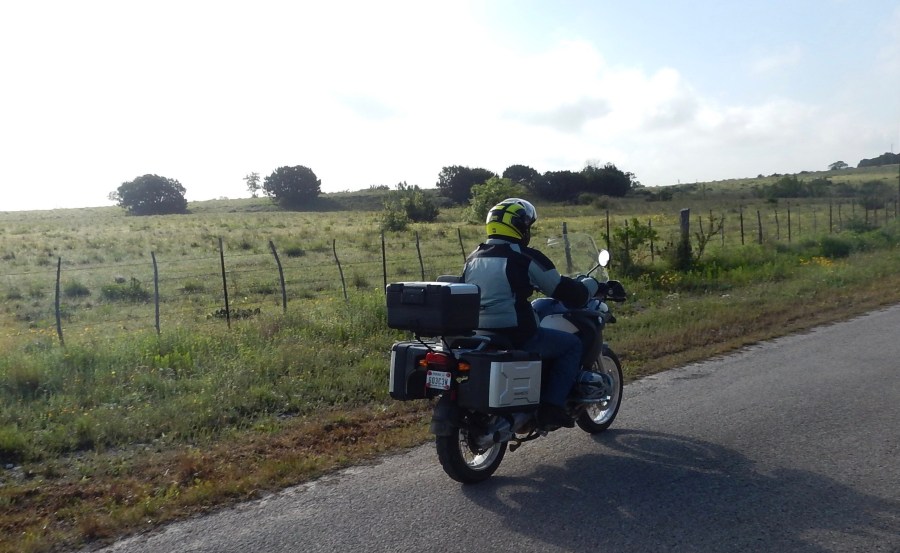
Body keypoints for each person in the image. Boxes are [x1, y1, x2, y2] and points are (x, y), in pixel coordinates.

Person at [462, 198, 602, 429]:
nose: (528, 230)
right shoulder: (524, 257)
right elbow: (563, 291)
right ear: (518, 226)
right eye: (526, 224)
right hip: (517, 333)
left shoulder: (473, 257)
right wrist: (592, 285)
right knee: (571, 346)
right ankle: (552, 408)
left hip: (479, 334)